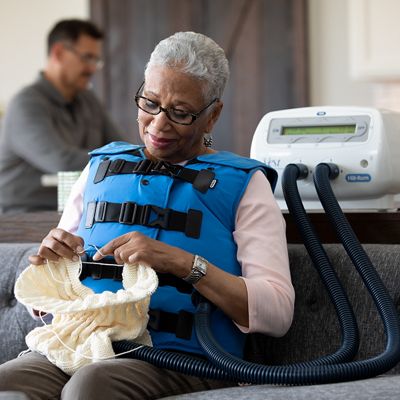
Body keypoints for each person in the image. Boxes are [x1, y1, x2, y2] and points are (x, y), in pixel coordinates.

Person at [0, 31, 295, 399]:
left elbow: (277, 312)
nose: (158, 125)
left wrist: (183, 263)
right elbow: (40, 301)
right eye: (150, 103)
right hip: (79, 344)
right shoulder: (99, 169)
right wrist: (49, 267)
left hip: (178, 358)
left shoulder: (245, 185)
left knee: (91, 386)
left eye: (180, 113)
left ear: (212, 115)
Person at [0, 19, 124, 213]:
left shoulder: (89, 100)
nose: (93, 68)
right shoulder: (26, 104)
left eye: (96, 60)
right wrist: (119, 161)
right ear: (58, 53)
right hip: (25, 219)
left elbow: (121, 147)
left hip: (78, 211)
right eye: (87, 58)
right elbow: (62, 162)